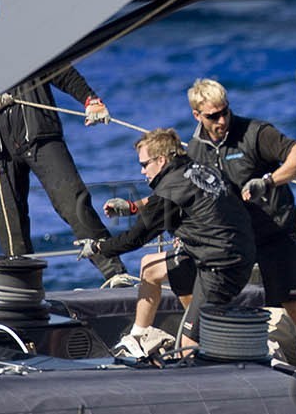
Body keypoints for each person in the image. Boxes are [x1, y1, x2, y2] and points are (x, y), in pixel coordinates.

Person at [180, 79, 296, 367]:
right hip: (233, 242)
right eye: (213, 116)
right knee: (200, 313)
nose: (222, 120)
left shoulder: (255, 133)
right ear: (197, 115)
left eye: (225, 111)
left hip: (276, 233)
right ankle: (194, 376)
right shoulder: (195, 150)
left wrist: (268, 181)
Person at [81, 129, 255, 348]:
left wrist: (98, 248)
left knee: (189, 342)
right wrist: (134, 207)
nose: (142, 171)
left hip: (221, 266)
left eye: (144, 164)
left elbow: (134, 239)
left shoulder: (169, 191)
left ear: (161, 160)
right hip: (224, 250)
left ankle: (207, 342)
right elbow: (173, 198)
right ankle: (137, 338)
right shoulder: (194, 167)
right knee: (150, 268)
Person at [0, 63, 130, 284]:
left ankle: (115, 273)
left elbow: (62, 72)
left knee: (75, 203)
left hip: (40, 135)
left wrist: (91, 100)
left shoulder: (29, 48)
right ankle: (24, 286)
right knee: (7, 221)